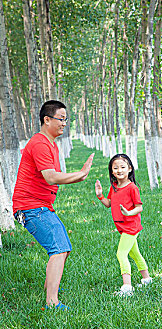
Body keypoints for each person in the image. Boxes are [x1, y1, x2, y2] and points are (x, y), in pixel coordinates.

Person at [12, 100, 94, 309]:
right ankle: (52, 302)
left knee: (63, 249)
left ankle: (53, 287)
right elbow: (50, 177)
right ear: (47, 119)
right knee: (58, 248)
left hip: (40, 206)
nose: (65, 123)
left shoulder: (51, 144)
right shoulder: (40, 143)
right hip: (30, 206)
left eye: (66, 119)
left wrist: (79, 176)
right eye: (61, 118)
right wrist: (80, 175)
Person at [95, 154, 152, 296]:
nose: (119, 170)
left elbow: (139, 207)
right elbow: (109, 204)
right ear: (112, 171)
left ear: (130, 169)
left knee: (121, 253)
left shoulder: (132, 188)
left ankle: (127, 287)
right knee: (134, 253)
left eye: (122, 167)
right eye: (115, 168)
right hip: (122, 227)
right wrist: (100, 196)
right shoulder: (114, 187)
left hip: (131, 227)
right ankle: (147, 279)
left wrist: (128, 213)